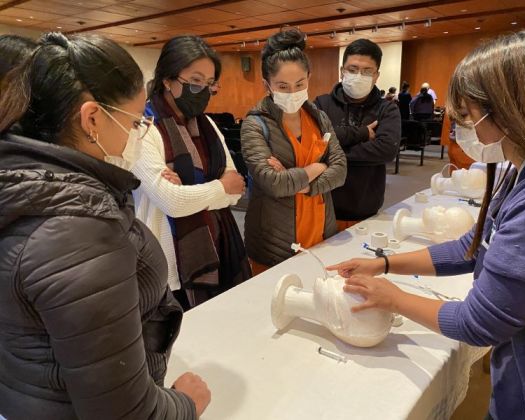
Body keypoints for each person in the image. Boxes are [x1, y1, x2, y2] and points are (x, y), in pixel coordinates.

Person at [328, 30, 525, 420]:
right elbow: (472, 247)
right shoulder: (521, 172)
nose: (459, 129)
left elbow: (480, 322)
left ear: (506, 110)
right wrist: (384, 263)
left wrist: (393, 298)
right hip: (518, 377)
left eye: (467, 116)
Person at [0, 33, 209, 419]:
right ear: (93, 118)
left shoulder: (23, 184)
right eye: (134, 122)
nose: (139, 134)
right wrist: (188, 404)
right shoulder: (79, 232)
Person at [138, 35, 251, 310]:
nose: (203, 90)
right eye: (195, 81)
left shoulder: (208, 125)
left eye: (210, 83)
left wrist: (190, 192)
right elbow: (172, 203)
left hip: (218, 239)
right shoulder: (143, 126)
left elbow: (237, 188)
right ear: (168, 79)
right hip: (171, 255)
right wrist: (218, 187)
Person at [241, 29, 347, 275]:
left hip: (321, 232)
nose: (292, 92)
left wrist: (303, 183)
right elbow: (274, 184)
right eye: (282, 86)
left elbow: (340, 170)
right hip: (275, 243)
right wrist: (318, 167)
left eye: (300, 84)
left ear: (309, 77)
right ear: (267, 85)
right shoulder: (255, 124)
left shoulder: (318, 118)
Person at [315, 38, 400, 231]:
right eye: (352, 69)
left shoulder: (387, 109)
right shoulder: (322, 104)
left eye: (367, 71)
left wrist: (332, 151)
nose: (358, 75)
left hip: (365, 207)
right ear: (342, 71)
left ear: (377, 75)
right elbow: (314, 144)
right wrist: (362, 134)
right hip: (323, 203)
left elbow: (386, 150)